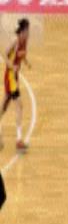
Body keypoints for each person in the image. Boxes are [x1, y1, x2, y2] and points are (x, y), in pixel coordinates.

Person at [0, 19, 30, 152]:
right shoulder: (15, 41)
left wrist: (26, 62)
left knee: (4, 106)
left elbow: (21, 55)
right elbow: (4, 54)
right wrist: (12, 66)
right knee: (19, 105)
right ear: (22, 31)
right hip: (10, 77)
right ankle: (18, 141)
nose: (28, 33)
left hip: (14, 77)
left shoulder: (25, 42)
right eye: (27, 30)